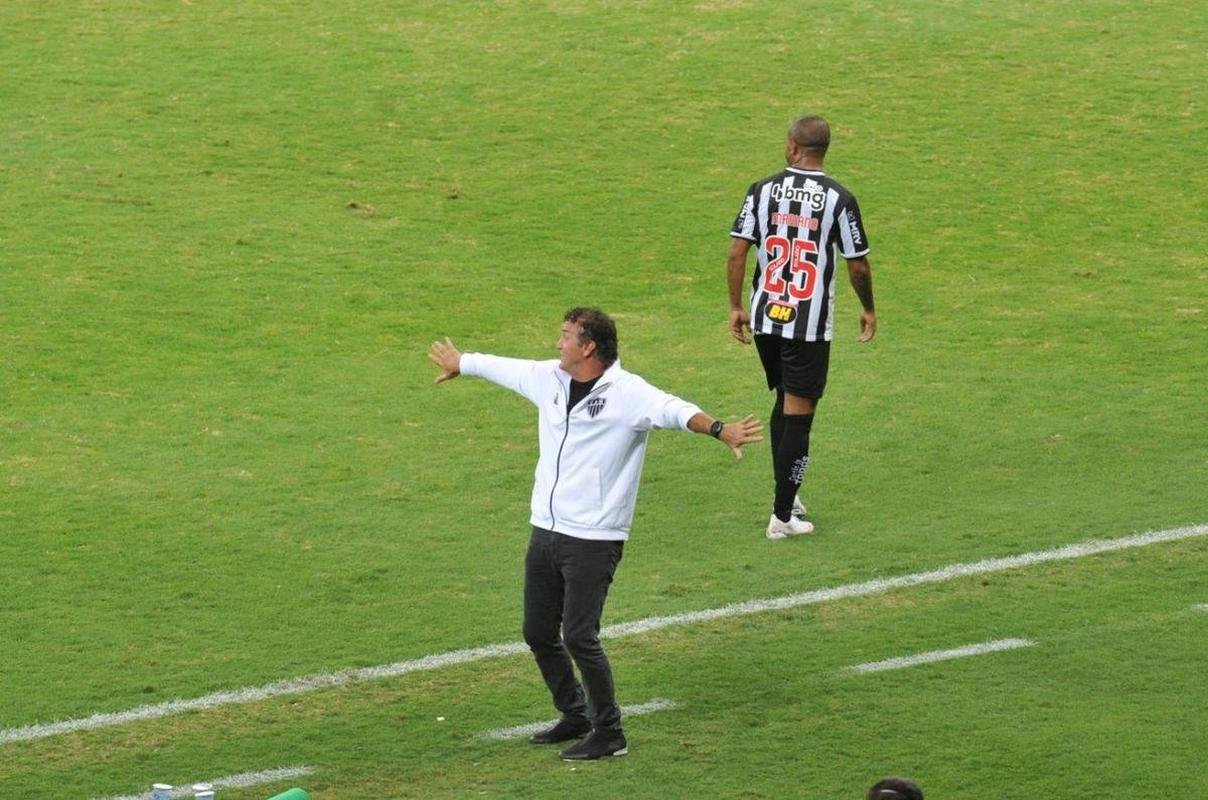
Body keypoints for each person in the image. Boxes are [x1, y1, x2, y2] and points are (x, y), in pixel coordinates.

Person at [428, 307, 762, 760]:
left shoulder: (629, 393)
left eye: (566, 336)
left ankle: (610, 733)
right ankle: (575, 713)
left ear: (588, 347)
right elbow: (505, 368)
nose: (558, 343)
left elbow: (675, 410)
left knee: (579, 636)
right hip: (546, 528)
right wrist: (463, 362)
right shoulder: (549, 378)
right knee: (537, 631)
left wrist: (720, 430)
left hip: (594, 536)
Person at [726, 114, 877, 540]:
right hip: (807, 328)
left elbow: (737, 252)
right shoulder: (840, 199)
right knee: (800, 417)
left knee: (785, 400)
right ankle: (782, 516)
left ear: (793, 147)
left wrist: (735, 306)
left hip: (765, 318)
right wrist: (868, 308)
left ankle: (787, 498)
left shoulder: (762, 190)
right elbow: (858, 264)